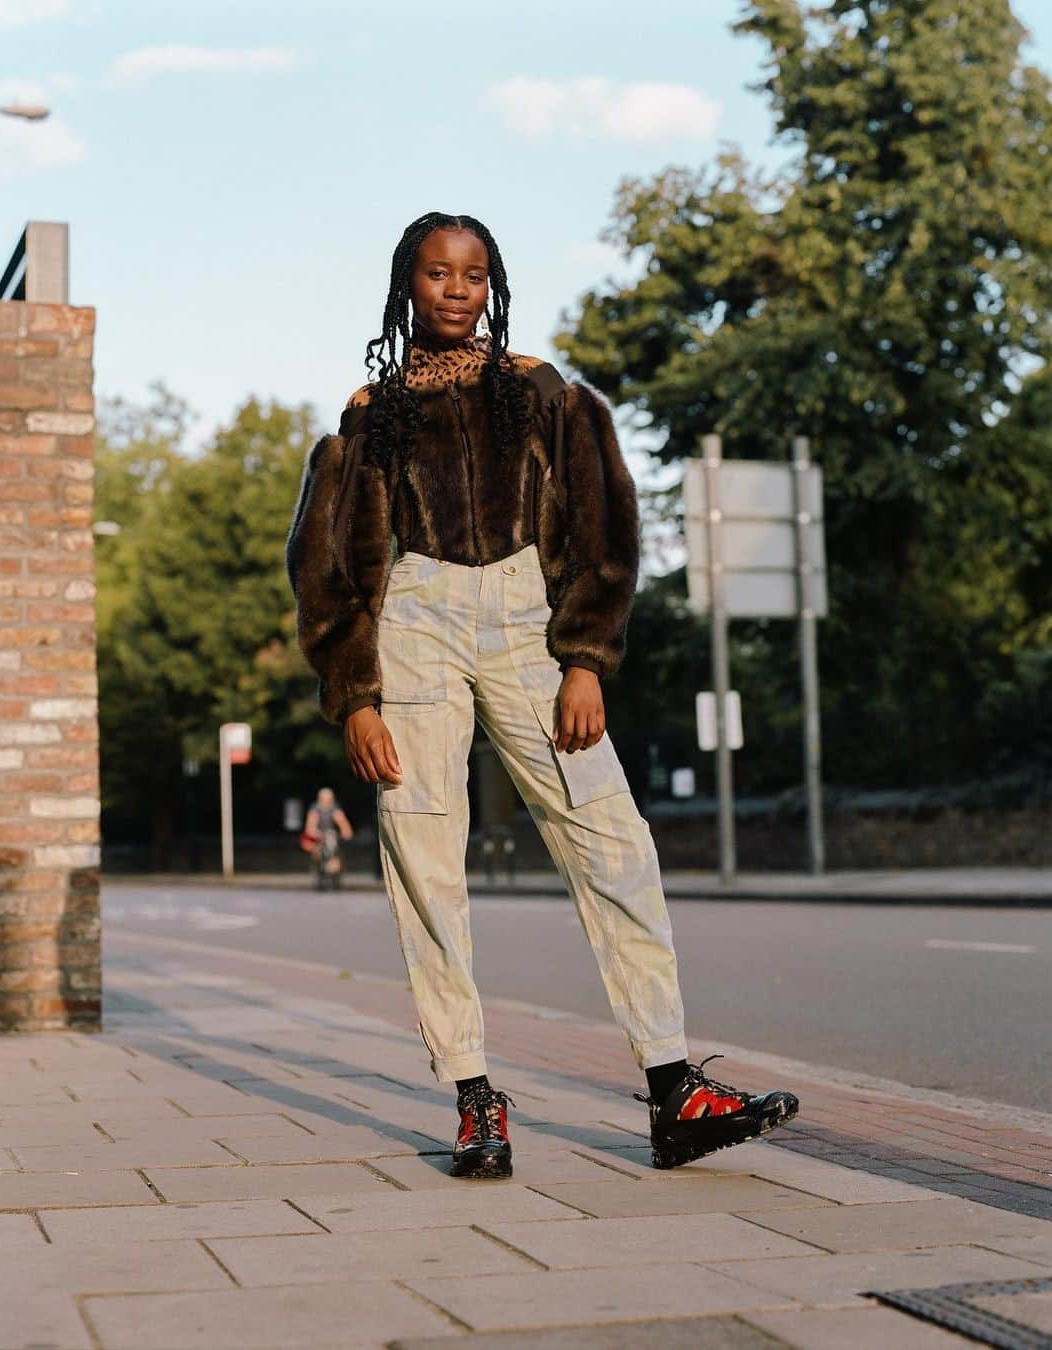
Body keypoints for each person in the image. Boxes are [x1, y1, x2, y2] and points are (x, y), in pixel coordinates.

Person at [286, 211, 798, 1178]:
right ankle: (475, 1097)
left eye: (473, 275)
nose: (455, 289)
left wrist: (586, 661)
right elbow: (326, 564)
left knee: (615, 843)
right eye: (436, 274)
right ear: (408, 285)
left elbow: (606, 526)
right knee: (424, 853)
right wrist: (355, 693)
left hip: (531, 623)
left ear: (493, 286)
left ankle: (673, 1088)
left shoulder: (542, 394)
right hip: (416, 627)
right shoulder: (371, 413)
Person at [301, 786, 353, 887]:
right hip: (317, 836)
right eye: (323, 799)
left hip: (331, 835)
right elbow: (310, 827)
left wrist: (345, 833)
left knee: (334, 851)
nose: (326, 801)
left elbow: (344, 825)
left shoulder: (335, 809)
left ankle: (335, 872)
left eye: (328, 799)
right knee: (316, 852)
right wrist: (316, 834)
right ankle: (318, 872)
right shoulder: (315, 809)